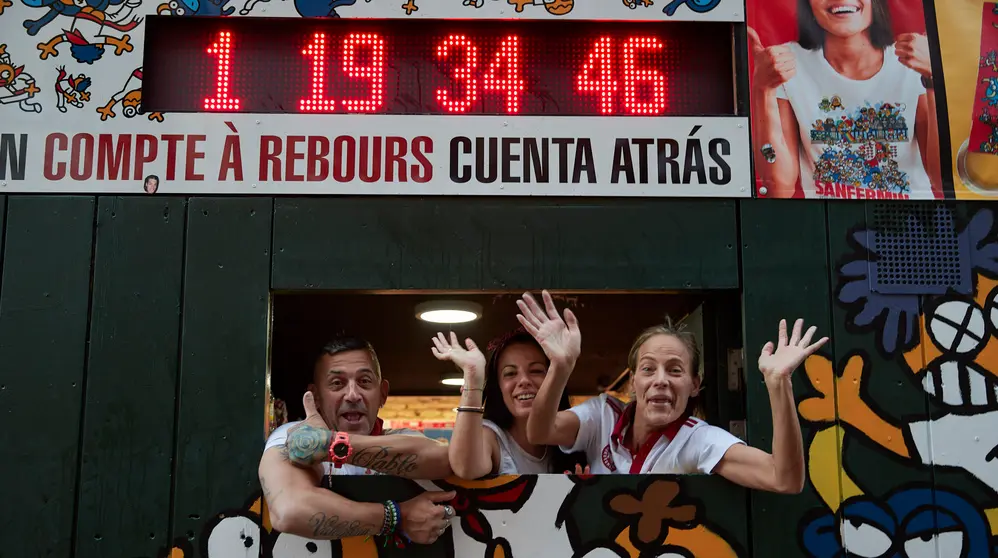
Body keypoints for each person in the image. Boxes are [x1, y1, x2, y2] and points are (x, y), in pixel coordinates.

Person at [523, 290, 827, 493]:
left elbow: (784, 479)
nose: (661, 380)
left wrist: (778, 384)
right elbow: (539, 432)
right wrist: (561, 366)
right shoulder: (602, 415)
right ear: (633, 382)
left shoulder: (698, 439)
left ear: (694, 384)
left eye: (675, 370)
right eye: (648, 369)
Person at [258, 337, 458, 544]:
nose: (353, 395)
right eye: (337, 383)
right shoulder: (293, 436)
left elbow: (444, 459)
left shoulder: (402, 438)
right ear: (316, 396)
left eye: (364, 381)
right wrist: (399, 517)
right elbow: (290, 511)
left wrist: (331, 445)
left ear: (382, 394)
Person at [749, 0, 941, 199]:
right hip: (830, 217)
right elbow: (778, 187)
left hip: (909, 217)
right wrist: (763, 89)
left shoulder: (912, 60)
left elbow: (942, 180)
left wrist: (934, 77)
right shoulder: (786, 63)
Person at [430, 329, 588, 479]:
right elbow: (466, 468)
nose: (524, 381)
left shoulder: (579, 432)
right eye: (510, 373)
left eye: (536, 371)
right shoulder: (491, 435)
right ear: (498, 388)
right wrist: (473, 377)